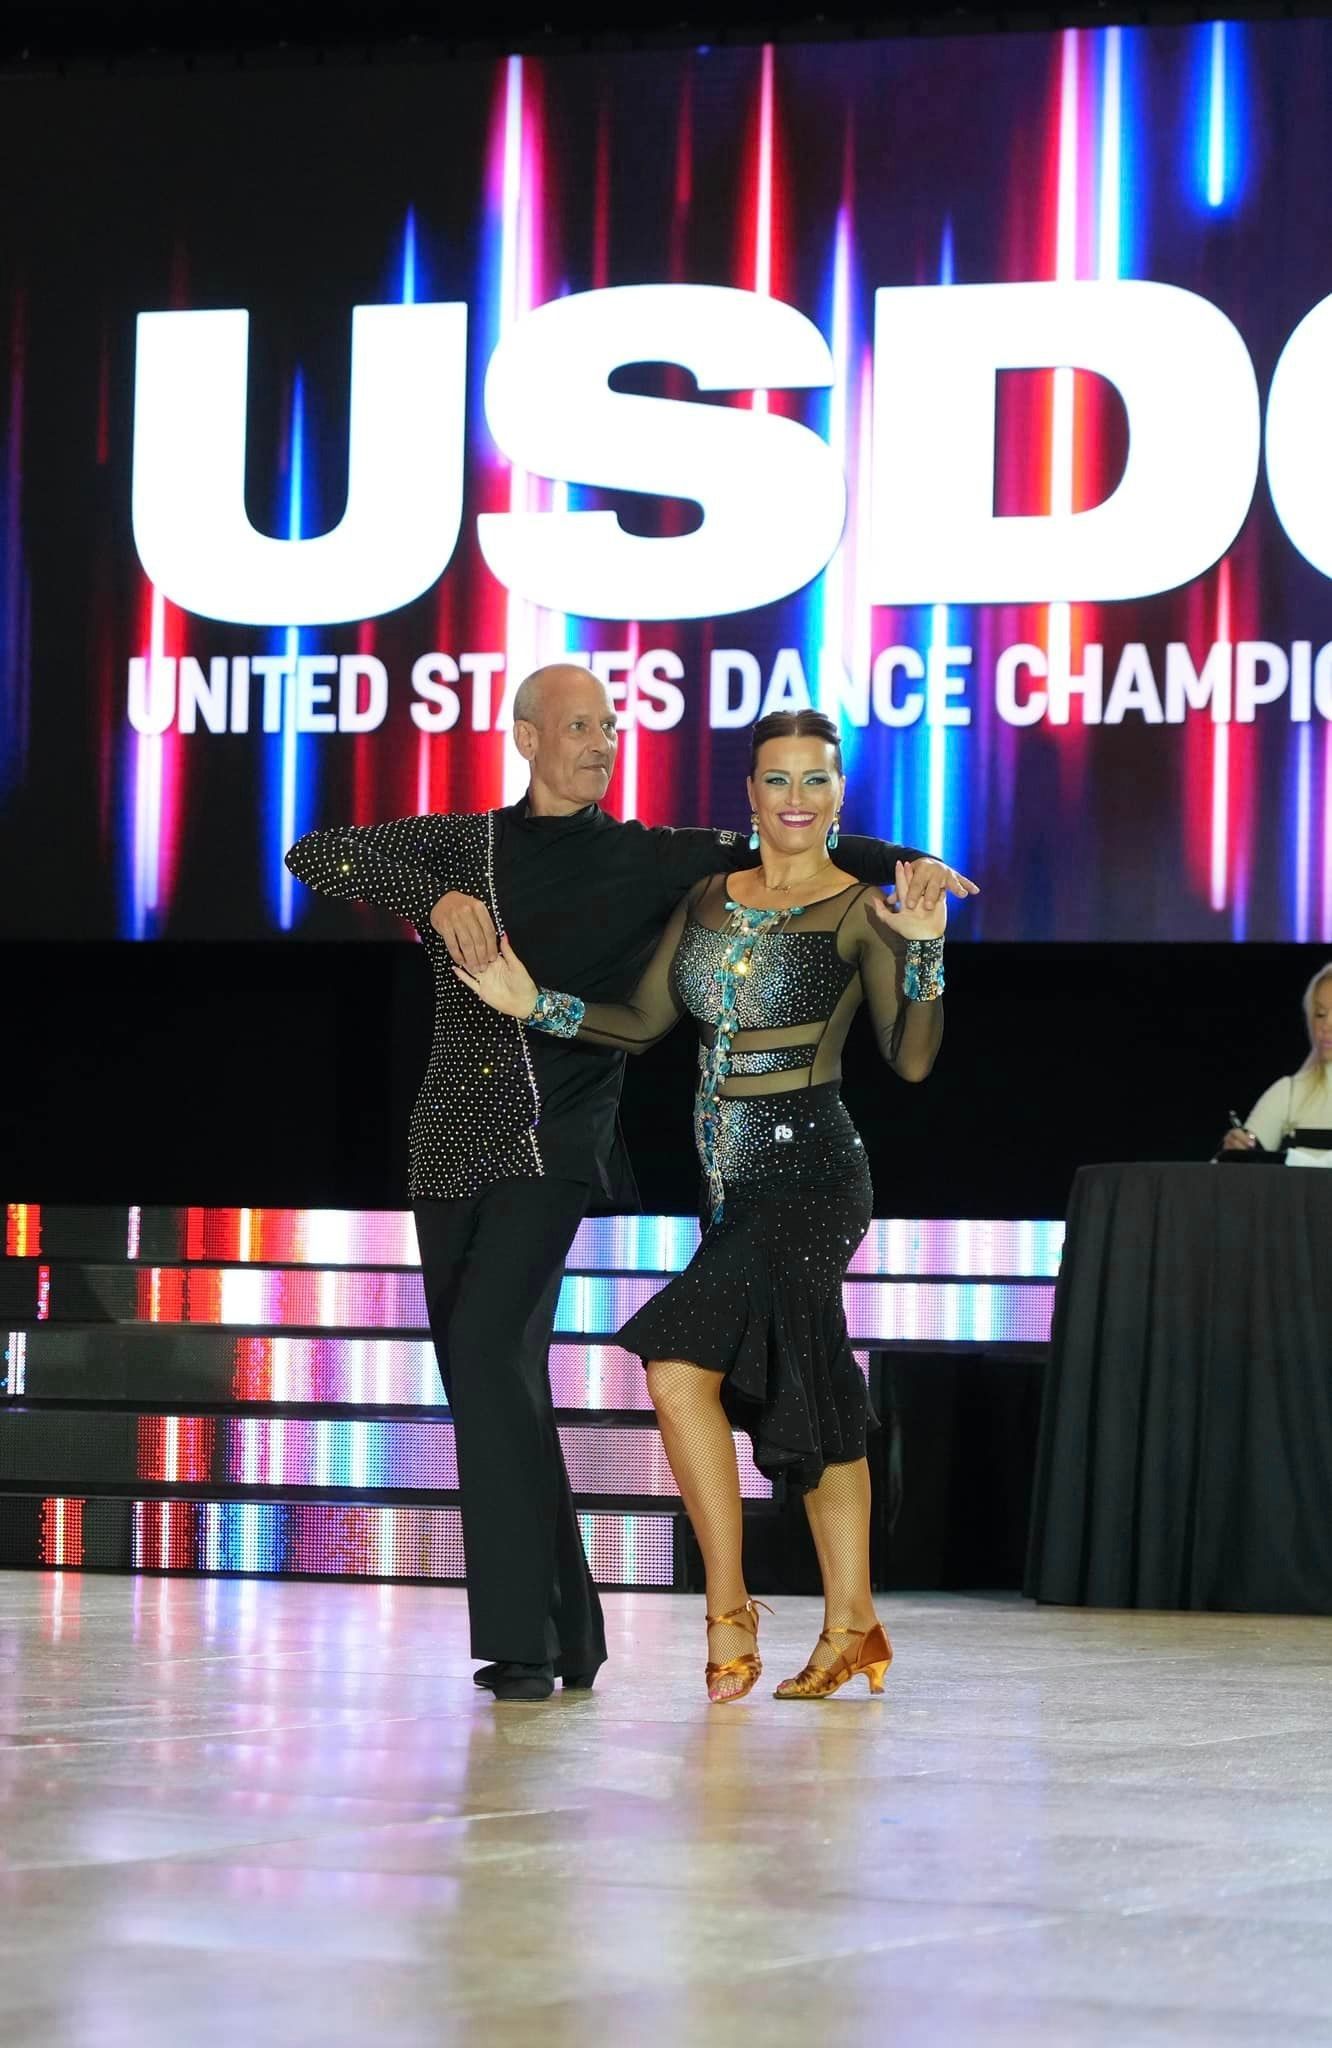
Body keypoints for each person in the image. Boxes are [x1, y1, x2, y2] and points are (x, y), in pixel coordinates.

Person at [286, 668, 976, 1701]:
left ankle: (551, 1632)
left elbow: (791, 839)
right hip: (451, 1138)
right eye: (578, 726)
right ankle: (575, 1629)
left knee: (492, 1355)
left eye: (610, 726)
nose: (601, 742)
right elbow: (317, 850)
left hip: (562, 1139)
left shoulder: (652, 856)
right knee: (494, 1375)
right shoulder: (460, 843)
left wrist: (910, 867)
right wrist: (433, 895)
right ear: (525, 736)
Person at [455, 707, 946, 1705]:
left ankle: (728, 1605)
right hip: (727, 1183)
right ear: (751, 793)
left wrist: (926, 952)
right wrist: (528, 1001)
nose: (797, 798)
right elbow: (639, 1021)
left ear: (840, 794)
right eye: (778, 778)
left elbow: (912, 1058)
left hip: (812, 1172)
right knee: (811, 1384)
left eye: (817, 779)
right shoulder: (711, 898)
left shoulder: (860, 908)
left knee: (679, 1365)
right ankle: (852, 1622)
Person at [1220, 963, 1332, 1153]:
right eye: (1320, 1014)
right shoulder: (1289, 1093)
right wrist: (1235, 1153)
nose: (1326, 1025)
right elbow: (1230, 1170)